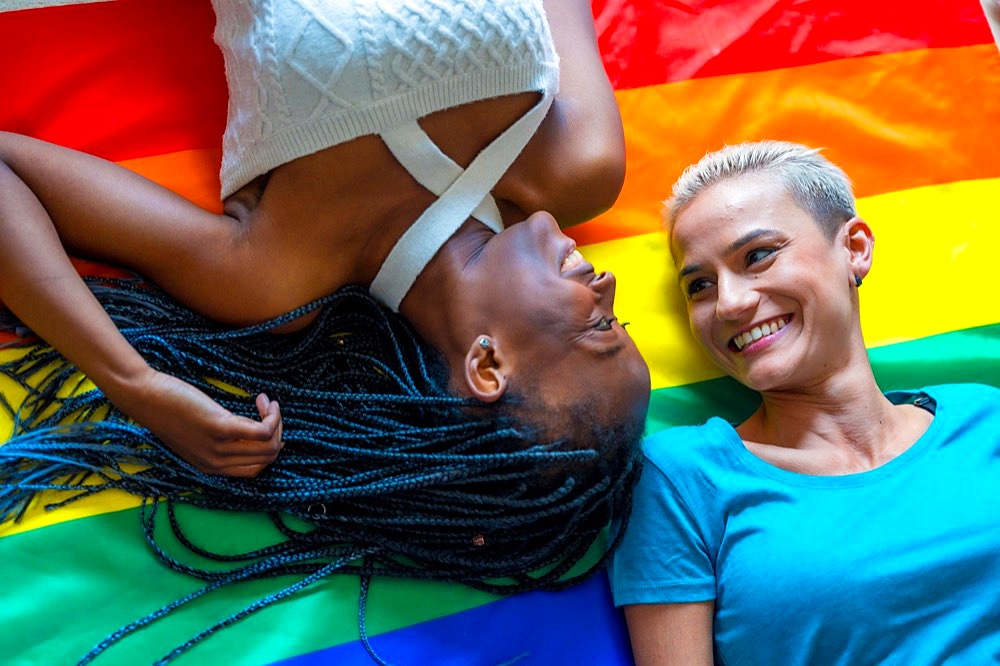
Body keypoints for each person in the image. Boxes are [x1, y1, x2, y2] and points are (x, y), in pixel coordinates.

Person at [0, 0, 650, 479]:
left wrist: (135, 384)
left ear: (487, 365)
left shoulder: (277, 273)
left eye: (600, 327)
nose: (607, 286)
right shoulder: (580, 167)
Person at [608, 141, 1000, 664]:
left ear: (855, 249)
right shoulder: (681, 478)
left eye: (758, 255)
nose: (729, 303)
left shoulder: (985, 419)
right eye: (700, 285)